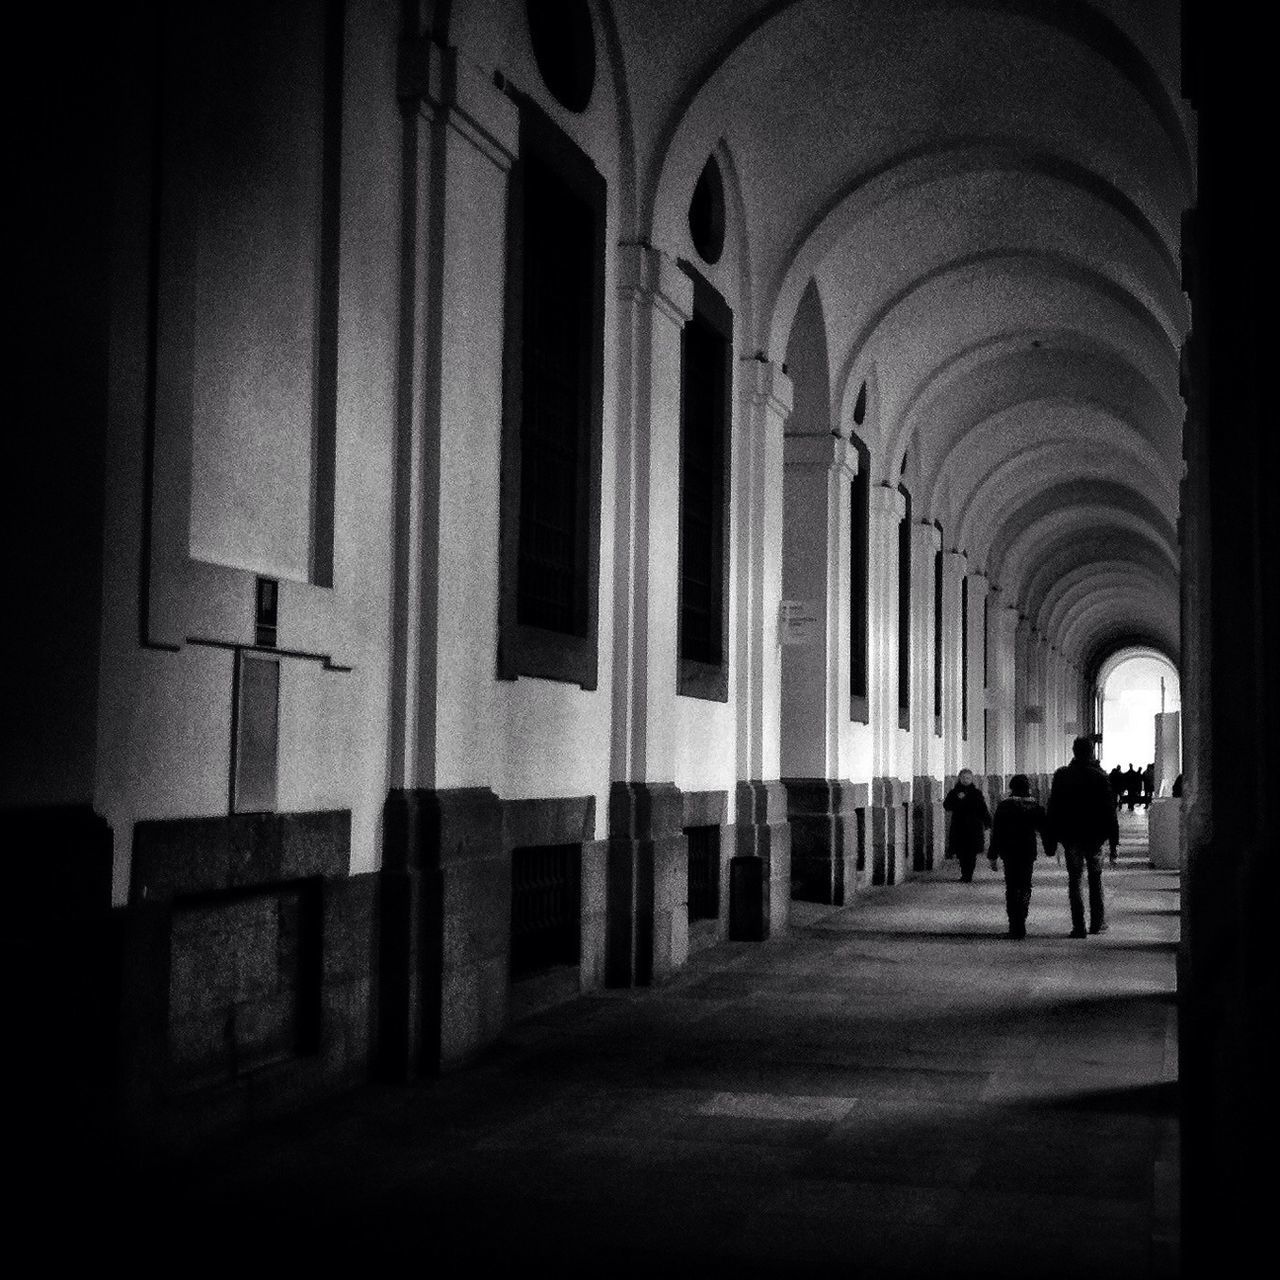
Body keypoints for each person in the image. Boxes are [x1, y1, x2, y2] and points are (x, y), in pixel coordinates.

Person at [1046, 735, 1120, 937]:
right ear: (1092, 752)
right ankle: (1097, 923)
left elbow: (1053, 808)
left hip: (1071, 836)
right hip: (1095, 837)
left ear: (1073, 751)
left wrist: (1051, 839)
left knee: (1075, 880)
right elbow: (1109, 811)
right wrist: (1113, 843)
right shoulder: (1100, 776)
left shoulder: (1062, 775)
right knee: (1096, 879)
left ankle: (1078, 926)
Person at [987, 774, 1050, 938]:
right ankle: (1022, 918)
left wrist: (993, 855)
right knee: (1025, 885)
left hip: (1009, 851)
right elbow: (1045, 829)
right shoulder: (1035, 806)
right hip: (1028, 851)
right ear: (1028, 788)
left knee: (1012, 886)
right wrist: (1050, 848)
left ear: (1011, 788)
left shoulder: (1004, 806)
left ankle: (1014, 925)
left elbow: (997, 832)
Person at [943, 768, 991, 882]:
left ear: (972, 779)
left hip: (974, 826)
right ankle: (964, 872)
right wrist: (956, 799)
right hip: (959, 826)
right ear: (960, 778)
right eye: (964, 778)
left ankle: (968, 874)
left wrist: (987, 822)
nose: (966, 780)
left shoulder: (976, 793)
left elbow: (982, 808)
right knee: (961, 851)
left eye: (968, 778)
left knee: (971, 852)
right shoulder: (954, 792)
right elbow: (947, 805)